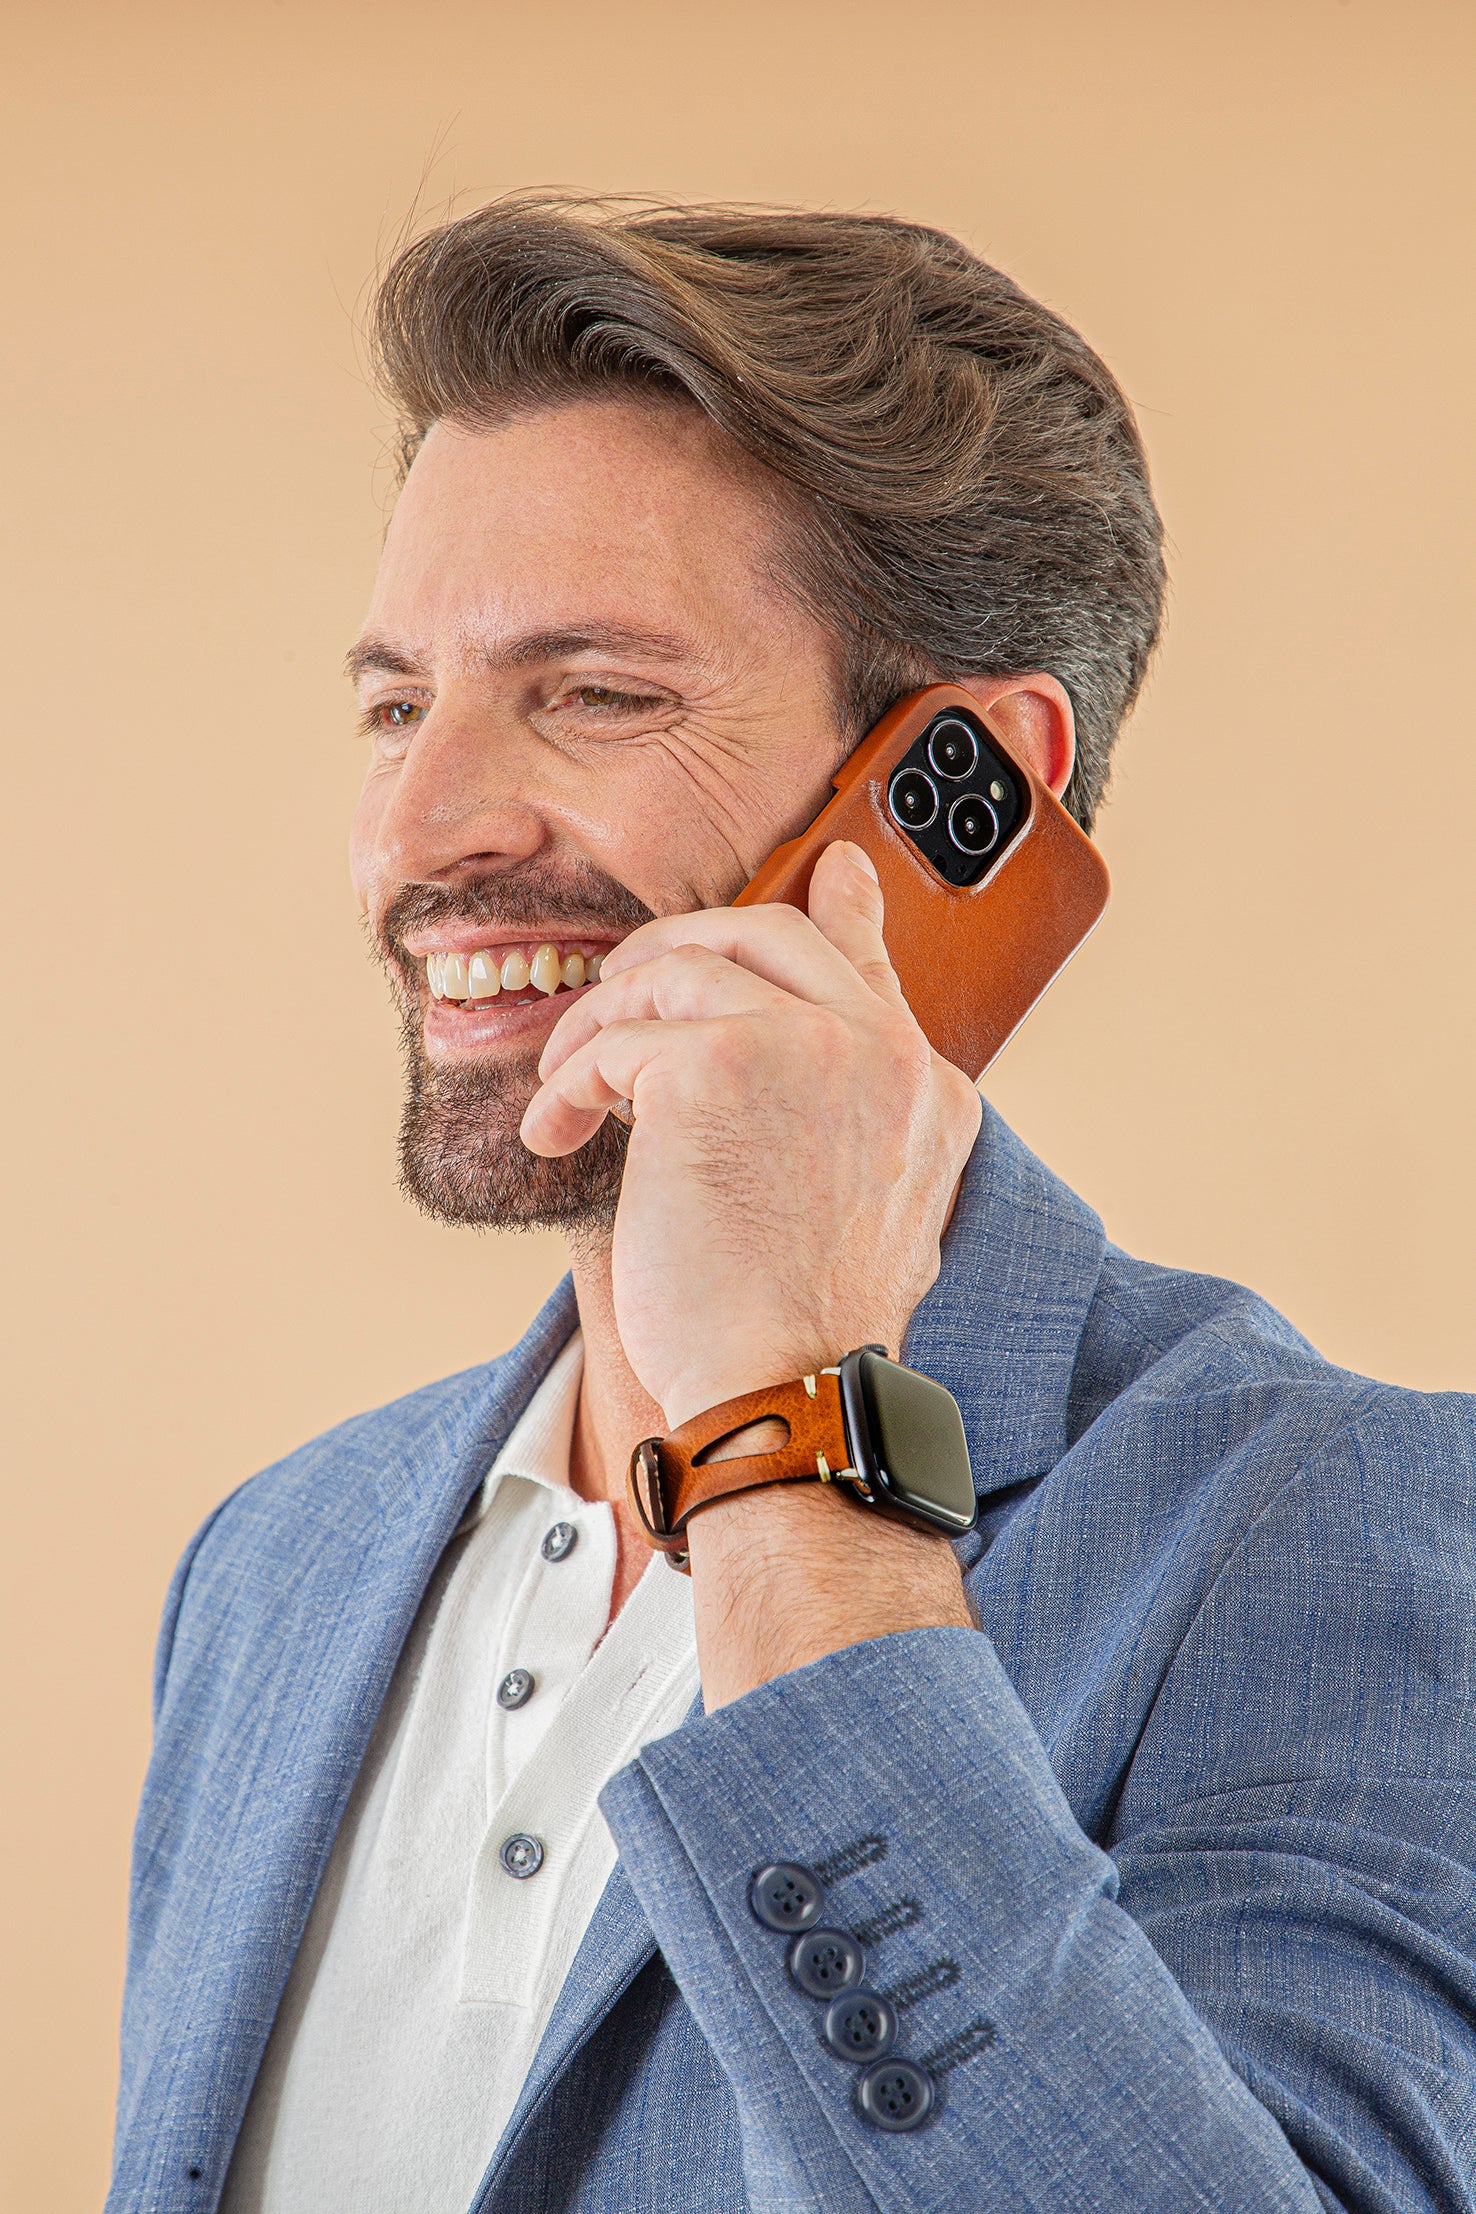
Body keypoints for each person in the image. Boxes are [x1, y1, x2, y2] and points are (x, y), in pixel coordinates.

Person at [107, 197, 1476, 2214]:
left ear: (966, 794)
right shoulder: (272, 1569)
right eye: (397, 703)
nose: (417, 827)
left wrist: (795, 1455)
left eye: (589, 692)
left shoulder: (1324, 1535)